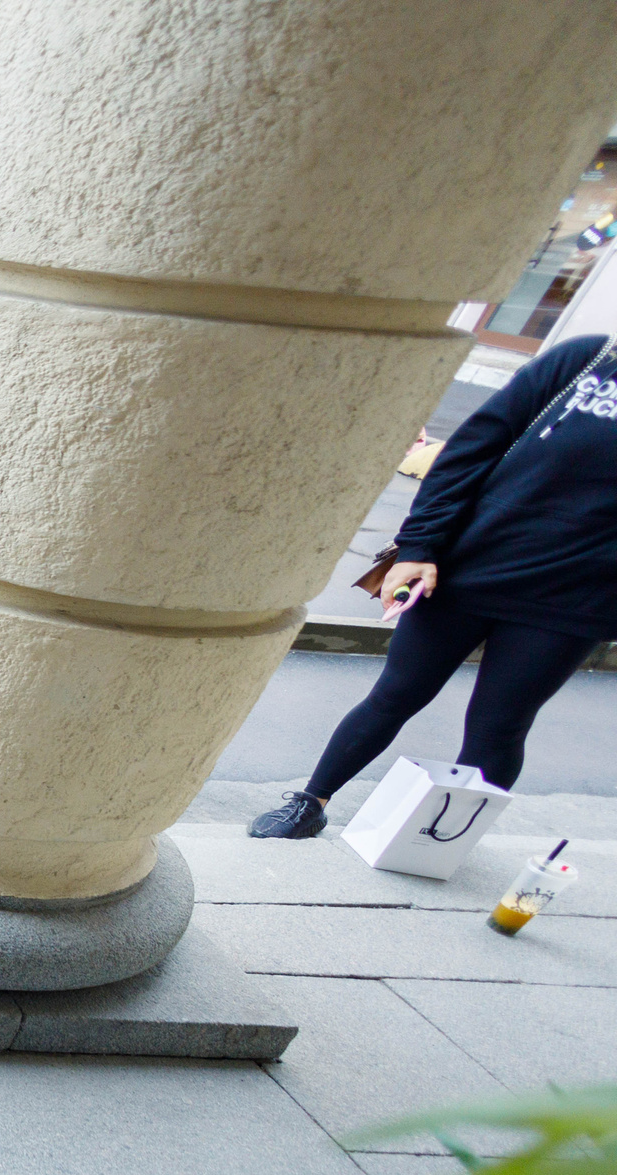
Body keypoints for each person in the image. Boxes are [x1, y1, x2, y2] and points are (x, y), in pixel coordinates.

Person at [249, 333, 617, 838]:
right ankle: (310, 801)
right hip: (468, 565)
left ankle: (442, 839)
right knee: (397, 693)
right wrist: (418, 547)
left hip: (575, 597)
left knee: (501, 724)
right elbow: (473, 446)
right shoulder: (589, 359)